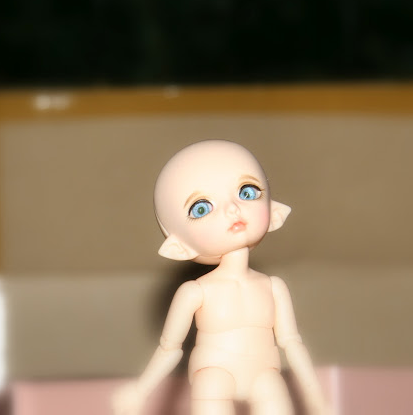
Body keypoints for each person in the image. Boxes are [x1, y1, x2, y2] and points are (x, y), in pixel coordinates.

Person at [112, 140, 328, 415]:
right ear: (179, 247)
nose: (233, 209)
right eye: (201, 208)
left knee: (274, 396)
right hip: (213, 372)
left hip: (265, 373)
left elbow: (292, 344)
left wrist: (317, 399)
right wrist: (140, 390)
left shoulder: (273, 287)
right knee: (212, 388)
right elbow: (169, 348)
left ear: (274, 211)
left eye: (247, 192)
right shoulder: (196, 291)